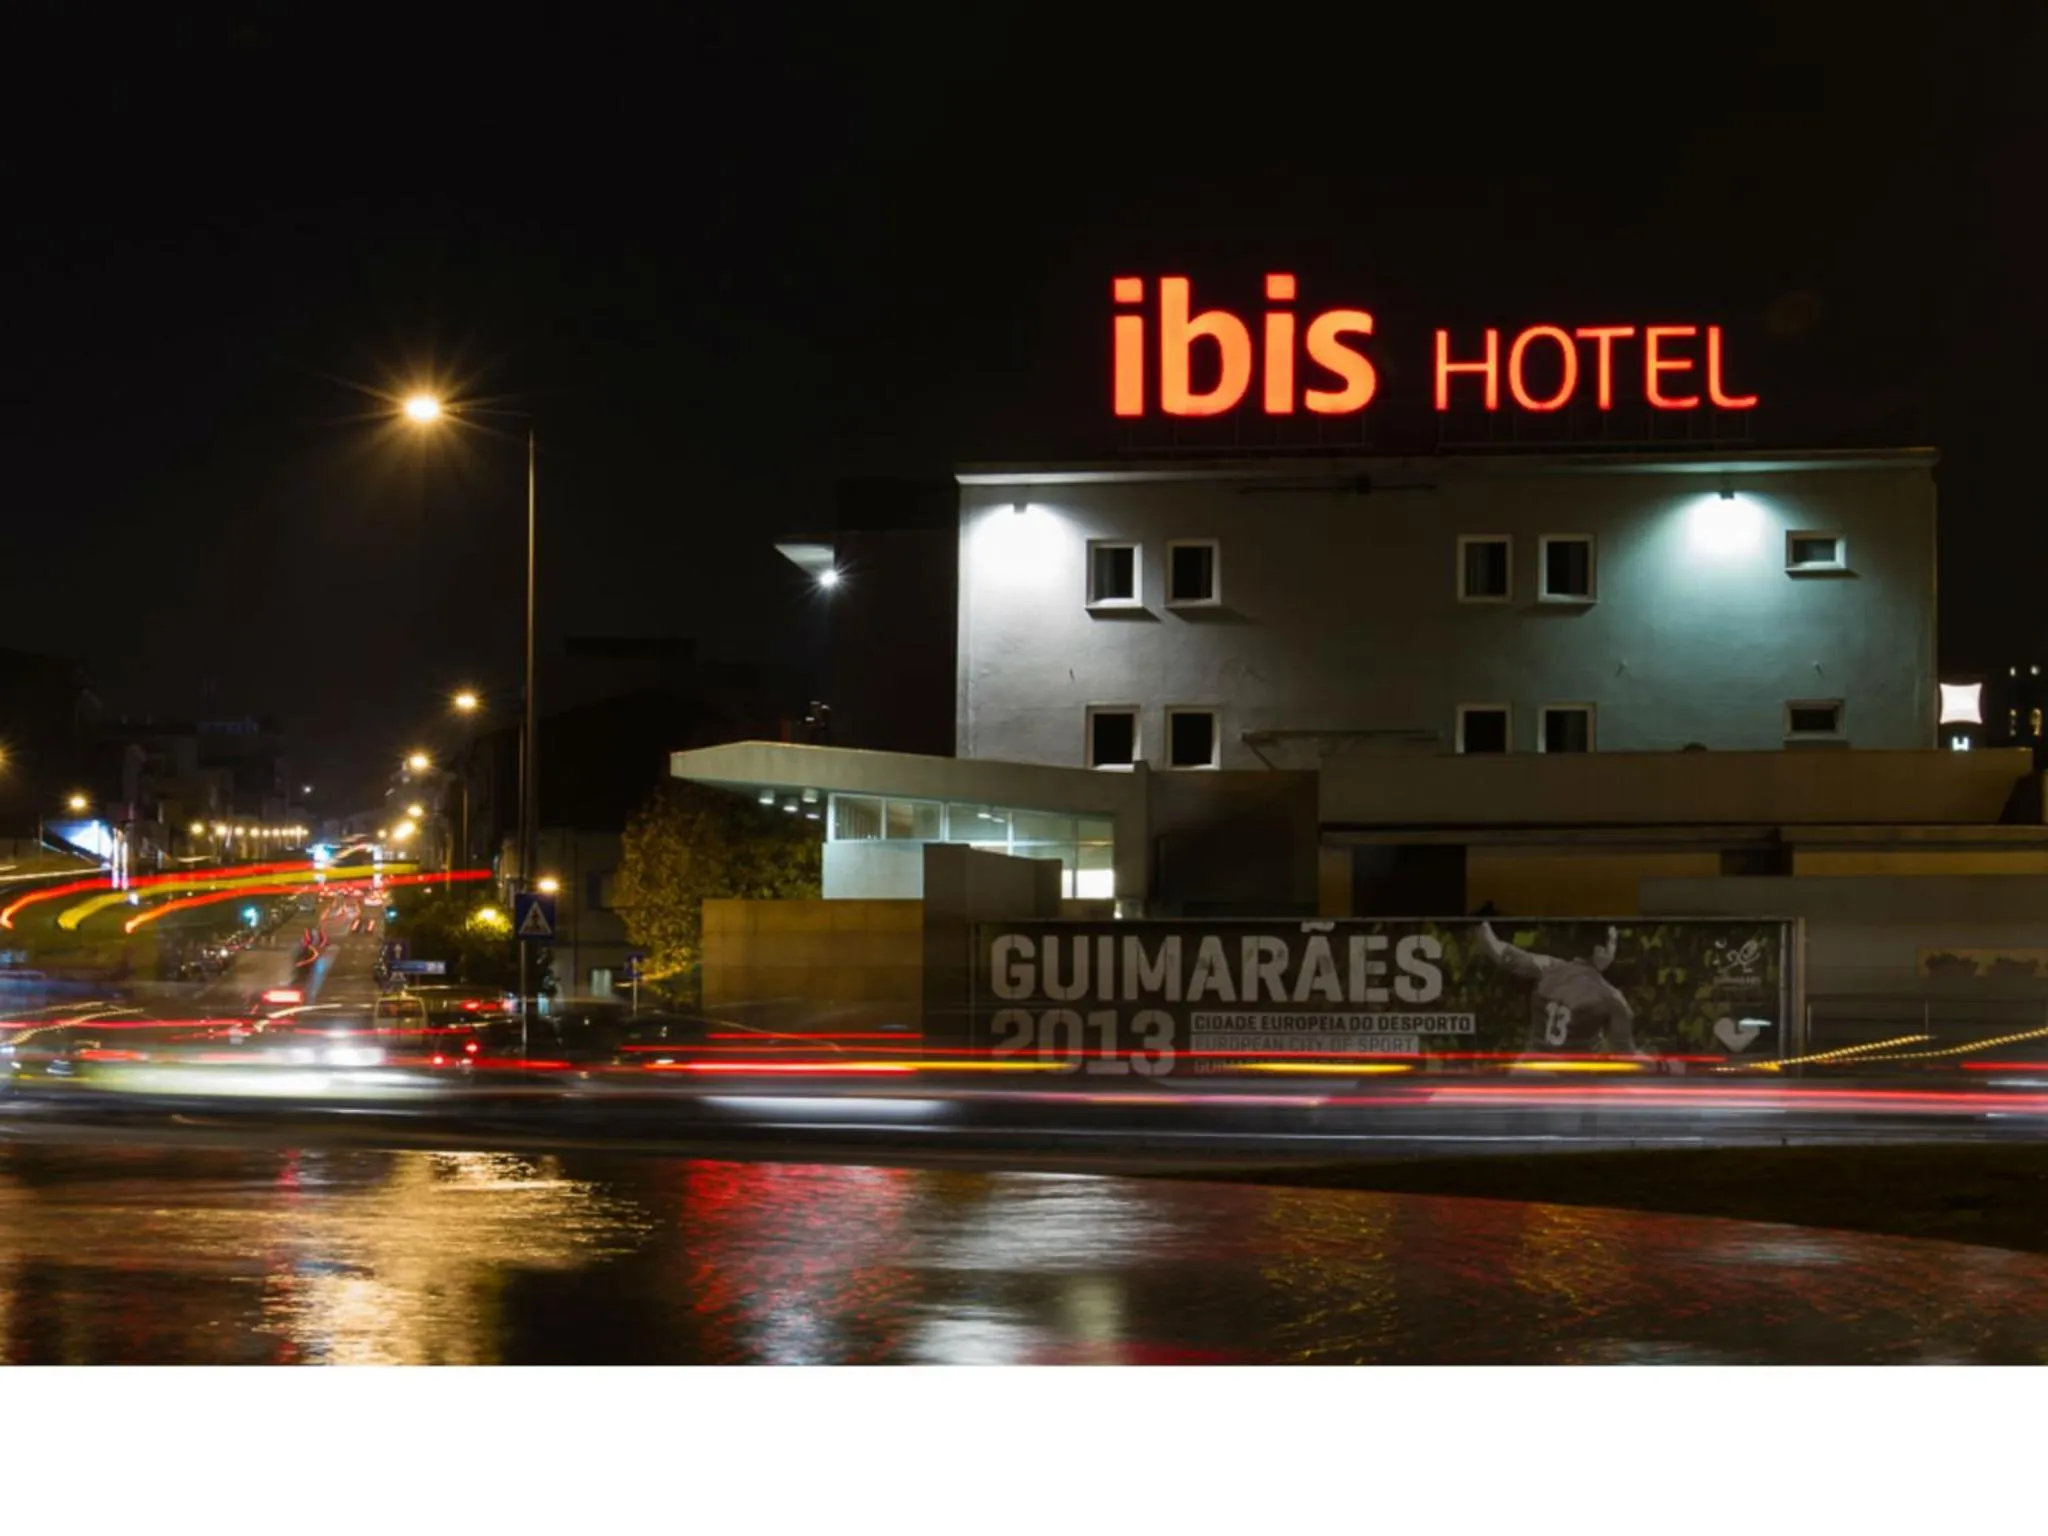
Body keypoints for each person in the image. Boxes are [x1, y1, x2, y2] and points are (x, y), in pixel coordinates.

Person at [1475, 921, 1642, 1058]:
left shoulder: (1547, 966)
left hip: (1528, 1073)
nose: (1615, 949)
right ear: (1599, 950)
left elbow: (1495, 949)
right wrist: (1662, 1064)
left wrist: (1477, 920)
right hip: (1569, 1084)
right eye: (1613, 943)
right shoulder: (1611, 997)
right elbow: (1627, 1055)